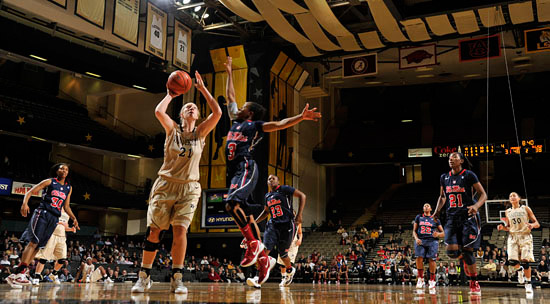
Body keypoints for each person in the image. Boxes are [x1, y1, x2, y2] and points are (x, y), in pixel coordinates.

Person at [223, 56, 320, 281]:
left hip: (247, 166)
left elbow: (279, 124)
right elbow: (230, 97)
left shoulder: (254, 125)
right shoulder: (234, 121)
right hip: (236, 170)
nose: (239, 108)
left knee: (231, 203)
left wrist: (301, 117)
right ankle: (262, 258)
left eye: (244, 107)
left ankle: (254, 245)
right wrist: (229, 72)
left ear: (251, 113)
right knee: (234, 209)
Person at [131, 71, 221, 294]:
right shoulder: (172, 129)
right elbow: (158, 111)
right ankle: (144, 276)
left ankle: (177, 278)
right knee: (155, 232)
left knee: (181, 230)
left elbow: (218, 112)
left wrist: (202, 90)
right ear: (181, 114)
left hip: (190, 188)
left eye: (194, 107)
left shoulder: (201, 133)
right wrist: (171, 94)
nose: (191, 108)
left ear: (198, 115)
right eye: (187, 106)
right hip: (165, 185)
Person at [6, 163, 79, 288]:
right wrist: (25, 203)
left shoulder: (68, 188)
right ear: (57, 171)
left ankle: (17, 274)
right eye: (61, 168)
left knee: (38, 246)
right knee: (33, 243)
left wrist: (73, 217)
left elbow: (66, 206)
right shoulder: (49, 181)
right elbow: (30, 191)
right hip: (43, 214)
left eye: (66, 169)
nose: (64, 170)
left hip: (54, 218)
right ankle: (20, 273)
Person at [434, 152, 487, 295]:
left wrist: (476, 206)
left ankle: (474, 282)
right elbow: (443, 196)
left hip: (467, 217)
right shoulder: (444, 177)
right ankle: (463, 257)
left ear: (461, 161)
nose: (451, 160)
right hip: (451, 218)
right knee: (451, 252)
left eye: (454, 158)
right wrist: (436, 211)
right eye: (449, 158)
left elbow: (483, 194)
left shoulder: (469, 175)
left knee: (468, 251)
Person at [249, 175, 307, 287]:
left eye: (273, 178)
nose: (270, 180)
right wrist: (254, 222)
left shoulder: (284, 189)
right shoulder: (267, 196)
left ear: (278, 181)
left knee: (283, 253)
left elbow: (302, 196)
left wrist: (299, 215)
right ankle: (257, 277)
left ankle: (290, 270)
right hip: (273, 225)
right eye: (268, 179)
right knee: (264, 250)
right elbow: (266, 212)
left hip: (287, 225)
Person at [497, 192, 540, 293]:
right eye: (510, 196)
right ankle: (520, 270)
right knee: (512, 262)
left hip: (525, 236)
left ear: (519, 198)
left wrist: (532, 225)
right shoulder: (507, 211)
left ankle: (528, 283)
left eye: (514, 195)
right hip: (513, 237)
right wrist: (503, 227)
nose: (512, 197)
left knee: (525, 261)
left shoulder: (526, 208)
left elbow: (537, 223)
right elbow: (508, 227)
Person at [32, 209, 76, 285]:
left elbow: (65, 227)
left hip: (62, 237)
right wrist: (62, 223)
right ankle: (36, 277)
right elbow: (48, 222)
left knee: (62, 259)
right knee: (43, 259)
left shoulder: (67, 214)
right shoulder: (54, 209)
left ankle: (53, 274)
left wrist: (71, 229)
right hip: (51, 235)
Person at [413, 203, 444, 290]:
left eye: (428, 205)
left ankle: (432, 280)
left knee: (432, 259)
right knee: (419, 257)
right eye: (424, 205)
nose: (426, 206)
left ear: (431, 209)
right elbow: (414, 231)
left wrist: (438, 234)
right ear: (423, 209)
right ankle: (420, 279)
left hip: (432, 241)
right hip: (421, 240)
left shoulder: (435, 219)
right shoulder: (418, 217)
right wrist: (416, 238)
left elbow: (443, 233)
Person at [277, 210, 303, 287]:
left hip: (293, 244)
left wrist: (300, 239)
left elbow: (300, 233)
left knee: (289, 262)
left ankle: (288, 276)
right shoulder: (283, 222)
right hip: (284, 243)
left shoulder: (297, 223)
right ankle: (284, 278)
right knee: (282, 263)